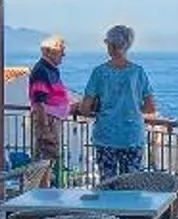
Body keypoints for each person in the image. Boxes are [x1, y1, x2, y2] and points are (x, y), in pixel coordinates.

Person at [75, 24, 155, 180]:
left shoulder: (100, 72)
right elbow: (150, 107)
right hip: (132, 136)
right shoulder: (138, 72)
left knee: (108, 184)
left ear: (111, 45)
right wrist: (129, 106)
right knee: (131, 185)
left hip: (107, 136)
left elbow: (85, 109)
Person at [26, 34, 70, 174]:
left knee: (48, 162)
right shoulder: (41, 70)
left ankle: (45, 191)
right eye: (60, 50)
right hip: (48, 121)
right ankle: (41, 192)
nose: (63, 54)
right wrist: (45, 129)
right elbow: (39, 103)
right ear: (48, 52)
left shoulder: (50, 70)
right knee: (44, 162)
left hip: (52, 120)